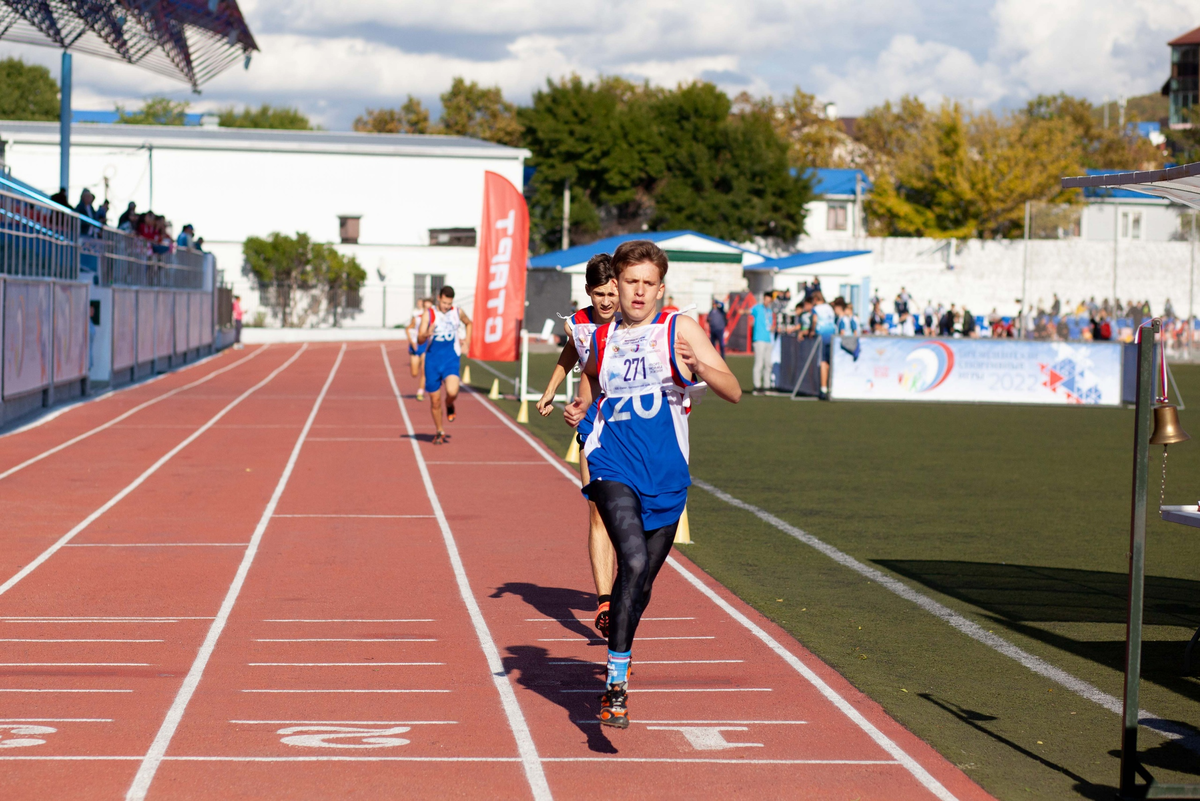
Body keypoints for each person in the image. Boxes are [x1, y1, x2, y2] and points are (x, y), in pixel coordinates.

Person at [564, 239, 741, 729]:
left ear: (661, 288)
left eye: (648, 284)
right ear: (615, 285)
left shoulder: (678, 329)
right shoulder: (600, 337)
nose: (638, 293)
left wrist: (699, 366)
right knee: (633, 558)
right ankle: (616, 685)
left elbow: (734, 391)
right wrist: (583, 407)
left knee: (638, 587)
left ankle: (619, 651)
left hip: (666, 474)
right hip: (611, 461)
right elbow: (596, 384)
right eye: (630, 282)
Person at [536, 254, 620, 636]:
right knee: (598, 510)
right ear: (588, 292)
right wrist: (552, 391)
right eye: (599, 294)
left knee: (635, 517)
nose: (606, 301)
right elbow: (574, 354)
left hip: (635, 423)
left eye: (612, 292)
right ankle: (605, 604)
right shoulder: (581, 323)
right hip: (593, 423)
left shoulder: (636, 321)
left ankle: (627, 581)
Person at [417, 285, 472, 445]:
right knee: (434, 401)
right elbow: (420, 339)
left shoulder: (457, 312)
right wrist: (425, 334)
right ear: (439, 298)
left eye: (449, 303)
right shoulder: (429, 314)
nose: (447, 306)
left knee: (452, 391)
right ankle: (440, 431)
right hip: (432, 361)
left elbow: (469, 323)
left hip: (450, 359)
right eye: (444, 303)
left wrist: (467, 342)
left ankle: (449, 404)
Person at [809, 290, 836, 398]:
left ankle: (823, 388)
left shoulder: (816, 309)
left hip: (822, 336)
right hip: (832, 336)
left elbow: (815, 321)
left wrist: (812, 331)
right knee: (830, 362)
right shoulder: (829, 308)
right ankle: (830, 386)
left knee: (823, 362)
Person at [405, 298, 432, 402]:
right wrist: (412, 342)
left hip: (427, 346)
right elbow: (408, 329)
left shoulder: (435, 319)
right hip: (416, 346)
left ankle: (420, 391)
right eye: (426, 307)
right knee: (414, 373)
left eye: (430, 308)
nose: (428, 310)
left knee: (424, 371)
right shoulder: (417, 318)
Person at [749, 291, 775, 395]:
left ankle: (767, 385)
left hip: (768, 339)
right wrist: (742, 311)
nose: (768, 301)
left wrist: (773, 328)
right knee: (759, 363)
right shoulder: (758, 308)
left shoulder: (769, 311)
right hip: (759, 339)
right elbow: (749, 311)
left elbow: (771, 324)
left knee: (768, 363)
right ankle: (757, 385)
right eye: (767, 298)